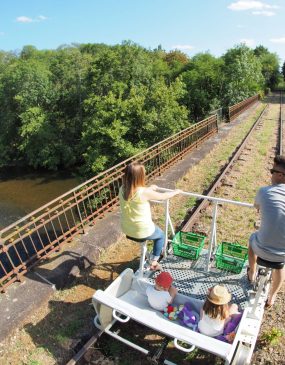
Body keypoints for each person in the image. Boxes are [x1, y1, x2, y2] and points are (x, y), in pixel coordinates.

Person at [119, 162, 181, 270]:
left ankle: (149, 258)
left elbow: (140, 190)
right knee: (161, 236)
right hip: (141, 231)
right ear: (140, 177)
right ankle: (153, 262)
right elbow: (163, 196)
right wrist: (176, 192)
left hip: (127, 229)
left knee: (155, 233)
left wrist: (150, 188)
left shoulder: (122, 189)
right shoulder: (143, 193)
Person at [247, 155, 285, 307]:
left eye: (272, 171)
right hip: (282, 255)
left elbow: (257, 207)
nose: (271, 175)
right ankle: (273, 295)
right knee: (281, 266)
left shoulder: (263, 191)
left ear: (280, 175)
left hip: (261, 250)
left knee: (251, 239)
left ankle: (252, 272)